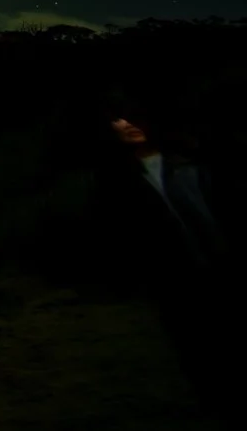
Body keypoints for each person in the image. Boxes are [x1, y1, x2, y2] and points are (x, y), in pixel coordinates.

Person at [98, 93, 238, 427]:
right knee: (201, 360)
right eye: (118, 118)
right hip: (176, 288)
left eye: (133, 115)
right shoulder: (119, 183)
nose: (128, 124)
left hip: (222, 275)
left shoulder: (192, 164)